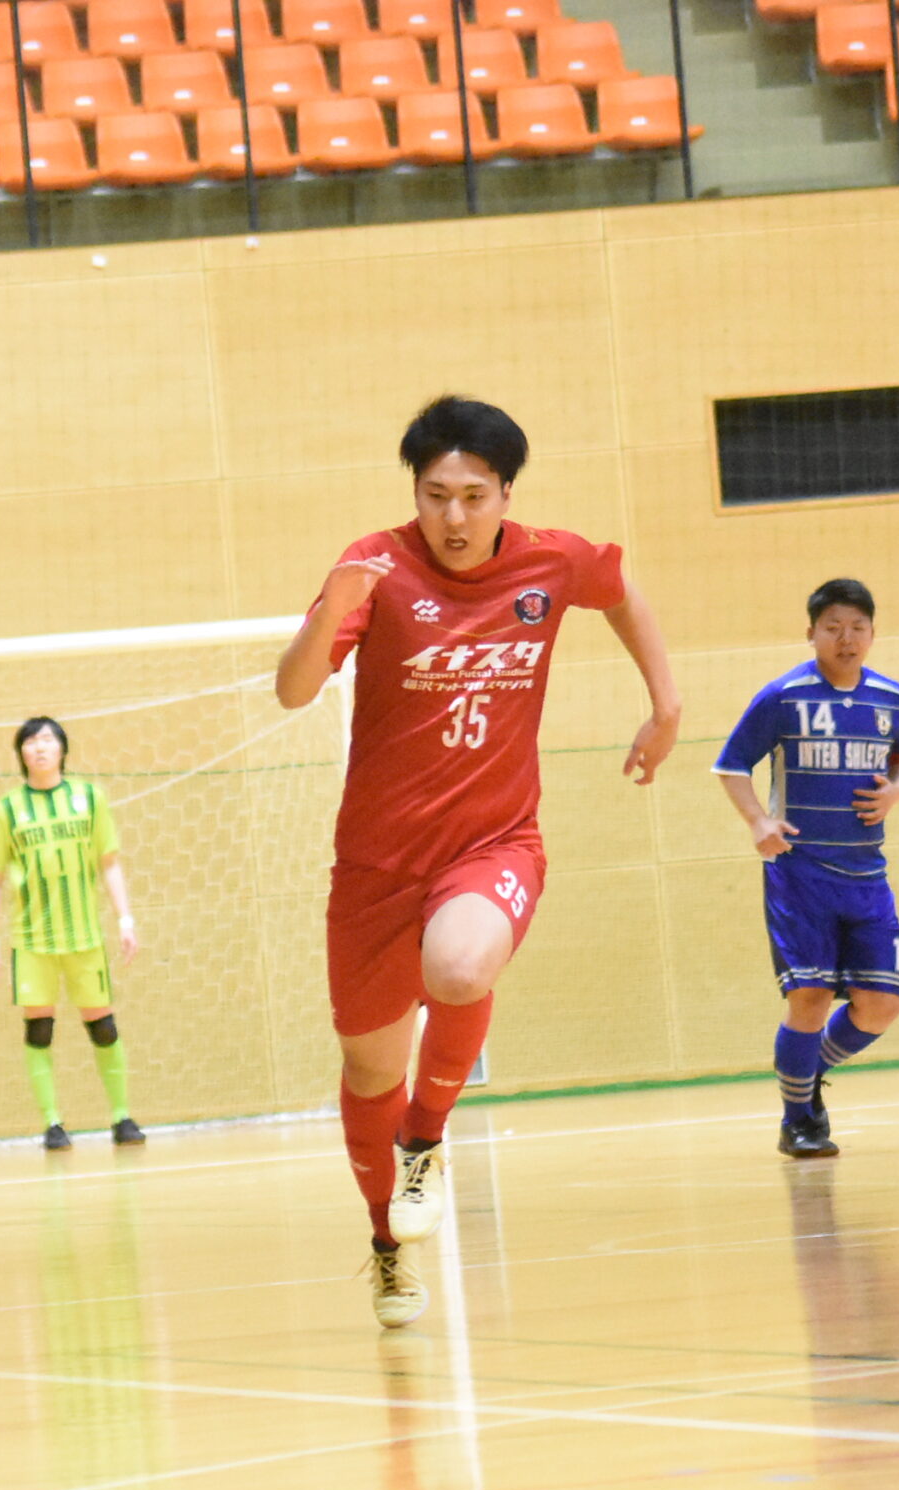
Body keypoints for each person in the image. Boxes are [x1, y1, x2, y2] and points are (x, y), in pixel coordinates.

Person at [274, 396, 682, 1328]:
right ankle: (386, 1245)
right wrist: (329, 611)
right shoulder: (375, 568)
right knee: (369, 1071)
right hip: (377, 865)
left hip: (492, 842)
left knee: (459, 968)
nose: (452, 517)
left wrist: (666, 706)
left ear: (506, 494)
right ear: (413, 492)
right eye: (434, 496)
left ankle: (427, 1135)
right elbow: (293, 691)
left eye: (473, 496)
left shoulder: (552, 560)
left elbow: (620, 589)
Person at [711, 579, 899, 1159]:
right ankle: (798, 1120)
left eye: (857, 627)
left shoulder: (893, 699)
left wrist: (896, 792)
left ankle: (807, 1072)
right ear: (811, 633)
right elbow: (731, 766)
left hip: (867, 875)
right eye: (833, 628)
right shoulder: (783, 696)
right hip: (800, 874)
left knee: (882, 1004)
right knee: (810, 995)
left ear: (872, 633)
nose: (846, 638)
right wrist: (759, 821)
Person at [0, 716, 144, 1152]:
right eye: (31, 741)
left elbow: (109, 862)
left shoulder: (90, 798)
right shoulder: (6, 810)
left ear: (63, 750)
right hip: (32, 941)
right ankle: (52, 1124)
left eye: (48, 739)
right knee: (39, 1029)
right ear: (20, 753)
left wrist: (125, 920)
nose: (40, 747)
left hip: (84, 937)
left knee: (103, 1026)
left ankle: (122, 1117)